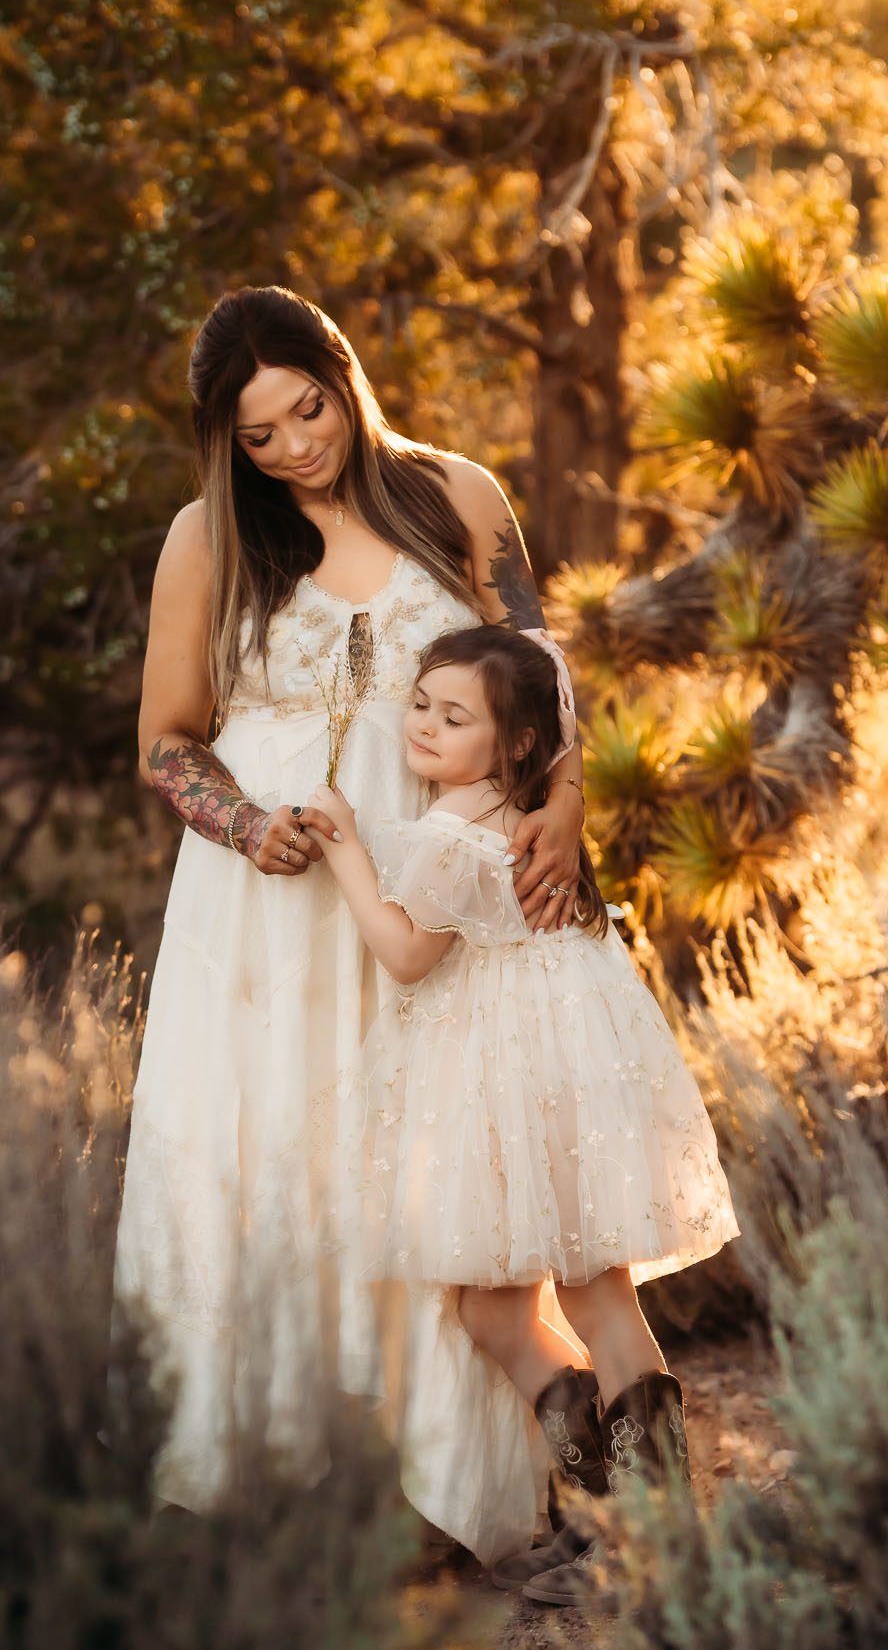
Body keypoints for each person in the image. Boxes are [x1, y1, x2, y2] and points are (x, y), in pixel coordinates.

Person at [113, 286, 588, 1552]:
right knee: (273, 1164)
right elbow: (165, 745)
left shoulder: (460, 499)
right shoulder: (207, 541)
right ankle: (280, 1495)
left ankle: (444, 1487)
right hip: (263, 924)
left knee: (437, 1171)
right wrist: (238, 821)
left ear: (343, 371)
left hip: (430, 894)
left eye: (304, 408)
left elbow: (544, 679)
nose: (291, 448)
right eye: (256, 435)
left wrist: (565, 808)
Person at [303, 623, 740, 1605]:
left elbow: (407, 952)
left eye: (452, 715)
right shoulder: (516, 811)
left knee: (592, 1291)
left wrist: (343, 851)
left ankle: (651, 1535)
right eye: (418, 702)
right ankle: (608, 1516)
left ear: (512, 747)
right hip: (560, 1062)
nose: (421, 723)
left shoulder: (454, 828)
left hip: (523, 1070)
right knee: (497, 1305)